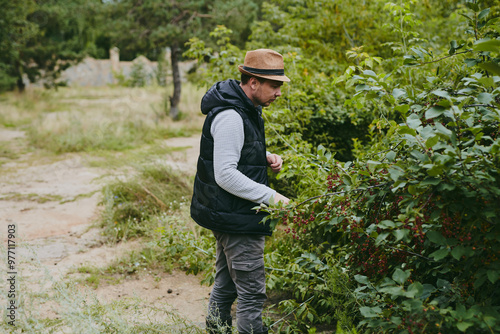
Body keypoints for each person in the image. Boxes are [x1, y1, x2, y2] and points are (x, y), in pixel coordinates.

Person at [190, 49, 291, 334]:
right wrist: (273, 198)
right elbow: (225, 175)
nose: (278, 93)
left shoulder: (243, 108)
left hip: (229, 213)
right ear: (254, 83)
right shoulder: (232, 115)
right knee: (251, 293)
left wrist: (264, 155)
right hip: (237, 216)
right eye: (274, 86)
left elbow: (233, 150)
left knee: (226, 286)